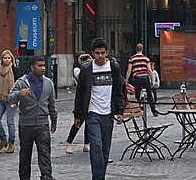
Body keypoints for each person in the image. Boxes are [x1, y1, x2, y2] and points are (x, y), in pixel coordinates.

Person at [73, 37, 125, 180]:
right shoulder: (87, 69)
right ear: (92, 53)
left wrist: (120, 111)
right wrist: (77, 115)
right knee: (95, 145)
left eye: (102, 53)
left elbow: (118, 90)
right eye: (97, 53)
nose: (100, 56)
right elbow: (80, 93)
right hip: (92, 113)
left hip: (108, 113)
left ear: (107, 52)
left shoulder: (114, 67)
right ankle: (98, 178)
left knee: (105, 149)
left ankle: (99, 176)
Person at [9, 56, 58, 180]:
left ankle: (46, 176)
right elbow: (10, 97)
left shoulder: (48, 83)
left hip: (42, 124)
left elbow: (52, 104)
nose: (43, 68)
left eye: (43, 65)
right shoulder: (22, 82)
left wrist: (54, 119)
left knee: (45, 154)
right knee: (25, 154)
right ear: (32, 67)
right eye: (39, 66)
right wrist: (19, 94)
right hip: (26, 125)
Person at [0, 49, 20, 153]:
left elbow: (19, 84)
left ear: (11, 59)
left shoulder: (14, 69)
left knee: (10, 122)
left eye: (8, 58)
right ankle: (3, 139)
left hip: (11, 99)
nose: (7, 60)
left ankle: (11, 143)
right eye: (5, 58)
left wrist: (18, 98)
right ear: (2, 59)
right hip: (1, 98)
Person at [66, 51, 91, 154]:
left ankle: (86, 143)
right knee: (79, 122)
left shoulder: (91, 68)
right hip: (81, 99)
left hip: (90, 99)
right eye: (82, 59)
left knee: (89, 124)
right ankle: (69, 142)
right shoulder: (77, 70)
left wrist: (91, 61)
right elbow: (82, 78)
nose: (84, 61)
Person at [126, 43, 159, 116]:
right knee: (150, 95)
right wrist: (153, 80)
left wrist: (127, 79)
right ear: (142, 49)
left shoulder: (132, 58)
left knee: (137, 95)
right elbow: (149, 70)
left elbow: (129, 70)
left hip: (137, 78)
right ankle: (154, 111)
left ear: (136, 49)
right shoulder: (146, 58)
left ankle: (136, 111)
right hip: (145, 77)